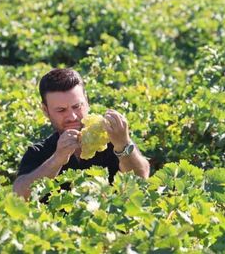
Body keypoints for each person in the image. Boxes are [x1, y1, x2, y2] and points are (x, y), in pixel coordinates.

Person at [13, 68, 150, 200]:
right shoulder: (39, 152)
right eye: (61, 110)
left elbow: (141, 178)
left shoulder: (112, 140)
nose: (72, 116)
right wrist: (57, 160)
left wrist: (123, 144)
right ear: (45, 110)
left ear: (87, 102)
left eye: (77, 106)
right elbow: (18, 196)